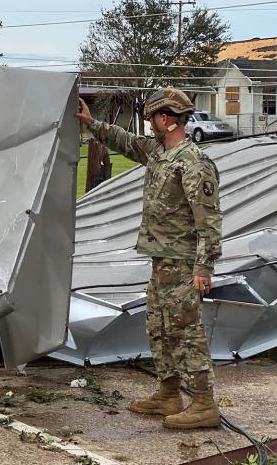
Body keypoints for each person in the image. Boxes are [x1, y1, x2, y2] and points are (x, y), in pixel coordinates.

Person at [74, 89, 223, 430]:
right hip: (162, 262)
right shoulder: (160, 153)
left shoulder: (193, 162)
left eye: (152, 119)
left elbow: (209, 221)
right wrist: (91, 123)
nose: (148, 125)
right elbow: (126, 142)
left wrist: (204, 267)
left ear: (166, 119)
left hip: (184, 264)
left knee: (186, 333)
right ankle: (169, 393)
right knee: (159, 329)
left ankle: (204, 403)